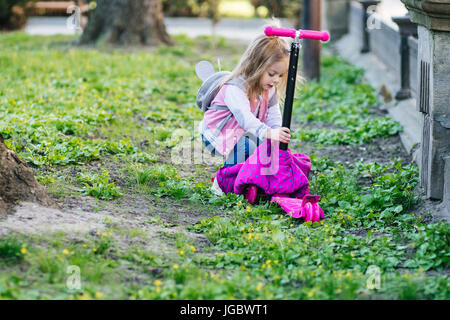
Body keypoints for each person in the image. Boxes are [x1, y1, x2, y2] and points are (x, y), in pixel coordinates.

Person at [198, 23, 292, 194]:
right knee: (247, 147)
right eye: (272, 74)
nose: (276, 80)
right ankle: (221, 184)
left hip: (240, 132)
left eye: (280, 75)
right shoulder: (235, 88)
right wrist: (268, 133)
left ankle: (252, 180)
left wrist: (276, 132)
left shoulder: (269, 88)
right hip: (216, 133)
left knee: (266, 146)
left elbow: (273, 115)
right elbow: (245, 119)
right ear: (256, 66)